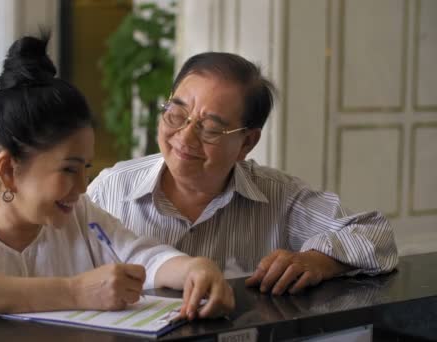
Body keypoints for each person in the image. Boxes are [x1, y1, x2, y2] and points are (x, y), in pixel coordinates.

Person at [0, 36, 234, 320]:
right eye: (68, 169)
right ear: (9, 169)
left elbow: (145, 257)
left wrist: (195, 268)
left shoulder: (80, 218)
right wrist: (74, 292)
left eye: (85, 169)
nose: (82, 188)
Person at [87, 52, 398, 296]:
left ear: (247, 142)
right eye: (177, 114)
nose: (185, 137)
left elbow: (377, 235)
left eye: (210, 128)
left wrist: (318, 260)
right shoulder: (111, 190)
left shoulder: (278, 197)